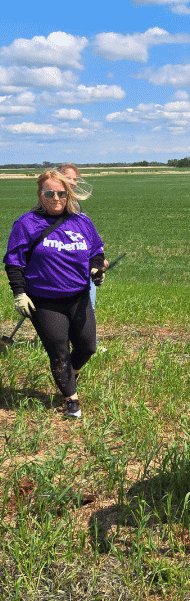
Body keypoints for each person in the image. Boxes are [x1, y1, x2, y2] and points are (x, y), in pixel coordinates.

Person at [4, 169, 106, 418]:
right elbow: (14, 262)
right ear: (40, 194)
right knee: (59, 350)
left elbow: (96, 251)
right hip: (44, 301)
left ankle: (70, 375)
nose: (56, 198)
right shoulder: (26, 223)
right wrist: (19, 293)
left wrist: (96, 268)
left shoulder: (81, 222)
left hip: (78, 297)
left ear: (69, 194)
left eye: (61, 193)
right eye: (49, 193)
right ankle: (71, 399)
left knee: (88, 347)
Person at [57, 164, 105, 308]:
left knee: (88, 309)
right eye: (68, 178)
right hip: (64, 269)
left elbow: (81, 235)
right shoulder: (54, 204)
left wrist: (96, 260)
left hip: (82, 267)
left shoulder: (74, 203)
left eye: (75, 179)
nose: (73, 182)